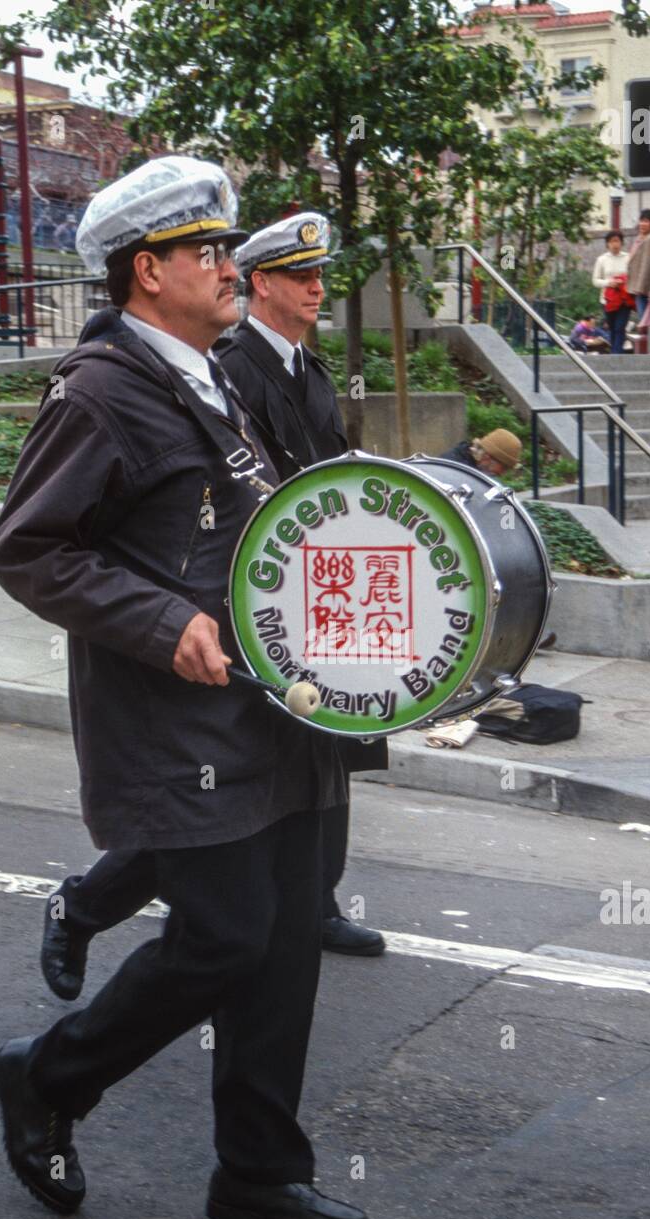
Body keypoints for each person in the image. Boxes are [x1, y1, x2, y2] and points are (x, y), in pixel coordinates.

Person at [0, 156, 372, 1219]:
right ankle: (46, 1076)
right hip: (174, 719)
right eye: (208, 251)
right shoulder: (100, 389)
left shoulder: (215, 375)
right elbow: (32, 551)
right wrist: (165, 624)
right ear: (147, 272)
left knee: (287, 939)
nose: (228, 266)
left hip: (272, 703)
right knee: (225, 937)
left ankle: (257, 1171)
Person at [217, 213, 386, 958]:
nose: (318, 287)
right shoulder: (231, 365)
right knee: (255, 761)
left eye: (320, 274)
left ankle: (316, 900)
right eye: (301, 275)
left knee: (335, 734)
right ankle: (93, 900)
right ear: (261, 283)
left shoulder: (306, 367)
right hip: (267, 589)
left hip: (325, 583)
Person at [592, 230, 632, 354]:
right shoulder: (602, 260)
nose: (615, 244)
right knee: (613, 327)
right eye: (612, 241)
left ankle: (617, 353)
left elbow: (634, 275)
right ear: (607, 244)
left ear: (621, 243)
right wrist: (609, 283)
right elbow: (595, 280)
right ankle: (615, 353)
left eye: (617, 241)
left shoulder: (628, 258)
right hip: (607, 300)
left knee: (620, 327)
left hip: (624, 299)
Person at [443, 427, 522, 477]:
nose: (502, 473)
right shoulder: (454, 469)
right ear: (487, 457)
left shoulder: (474, 467)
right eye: (504, 467)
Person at [627, 208, 650, 320]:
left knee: (644, 318)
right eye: (641, 220)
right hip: (639, 285)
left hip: (643, 288)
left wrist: (641, 287)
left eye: (646, 221)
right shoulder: (641, 238)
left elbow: (648, 264)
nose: (642, 224)